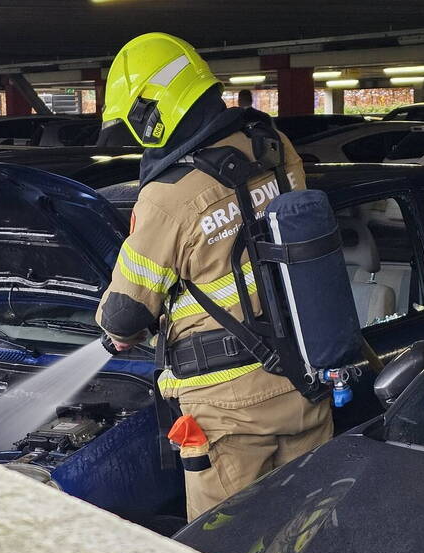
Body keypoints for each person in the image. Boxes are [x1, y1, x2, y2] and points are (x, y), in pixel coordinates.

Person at [95, 32, 333, 520]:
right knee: (306, 528)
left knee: (225, 543)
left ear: (150, 111)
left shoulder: (168, 197)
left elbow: (124, 315)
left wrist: (117, 334)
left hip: (227, 406)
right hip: (303, 376)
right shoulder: (272, 147)